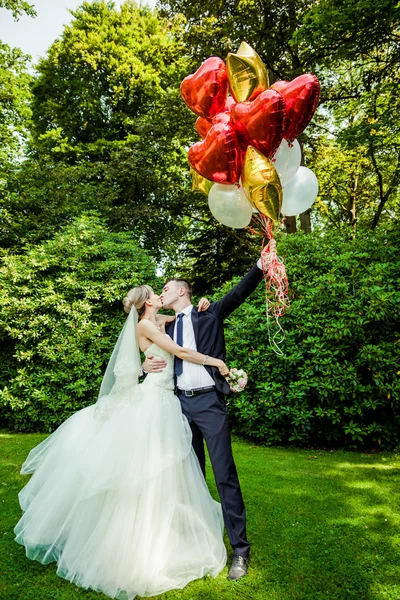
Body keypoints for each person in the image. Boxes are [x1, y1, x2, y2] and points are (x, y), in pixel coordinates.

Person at [14, 286, 230, 600]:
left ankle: (164, 531)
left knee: (166, 474)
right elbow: (180, 352)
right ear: (145, 303)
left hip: (167, 401)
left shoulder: (159, 320)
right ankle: (132, 545)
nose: (159, 295)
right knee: (145, 473)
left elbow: (185, 317)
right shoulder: (145, 325)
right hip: (155, 402)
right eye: (155, 294)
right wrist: (216, 362)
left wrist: (202, 304)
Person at [143, 257, 265, 581]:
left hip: (210, 404)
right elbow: (143, 339)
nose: (162, 291)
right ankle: (196, 543)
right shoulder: (164, 323)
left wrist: (261, 265)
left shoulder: (209, 313)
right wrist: (144, 366)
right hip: (180, 407)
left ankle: (240, 550)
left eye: (166, 288)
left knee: (224, 475)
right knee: (190, 477)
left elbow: (239, 293)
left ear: (182, 290)